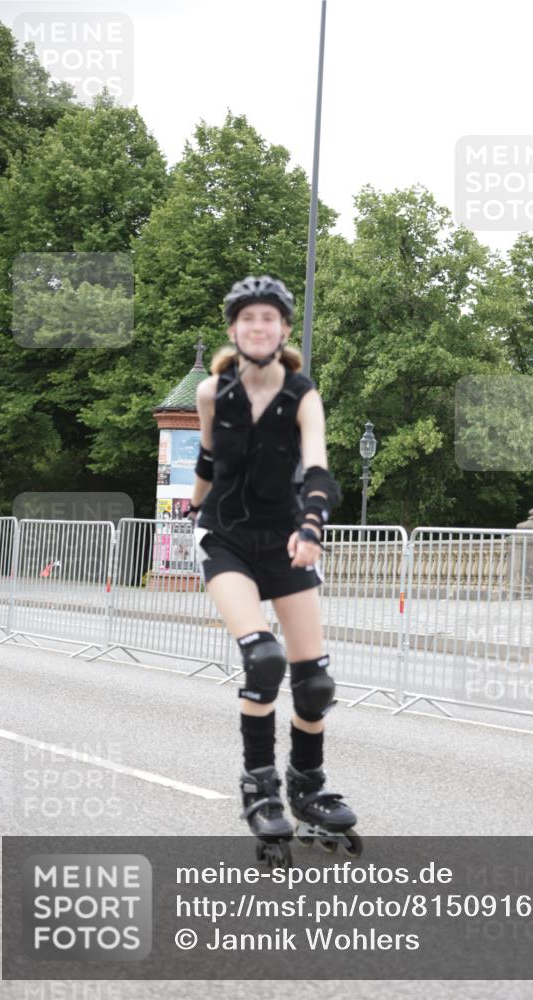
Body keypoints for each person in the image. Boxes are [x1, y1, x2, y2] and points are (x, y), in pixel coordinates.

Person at [187, 275, 359, 865]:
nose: (258, 327)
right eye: (247, 318)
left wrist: (312, 526)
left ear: (284, 329)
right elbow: (209, 456)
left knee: (315, 682)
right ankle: (259, 788)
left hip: (286, 538)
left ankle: (306, 785)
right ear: (233, 329)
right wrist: (193, 502)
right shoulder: (213, 391)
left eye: (269, 318)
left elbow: (318, 470)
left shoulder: (303, 394)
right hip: (227, 538)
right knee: (264, 659)